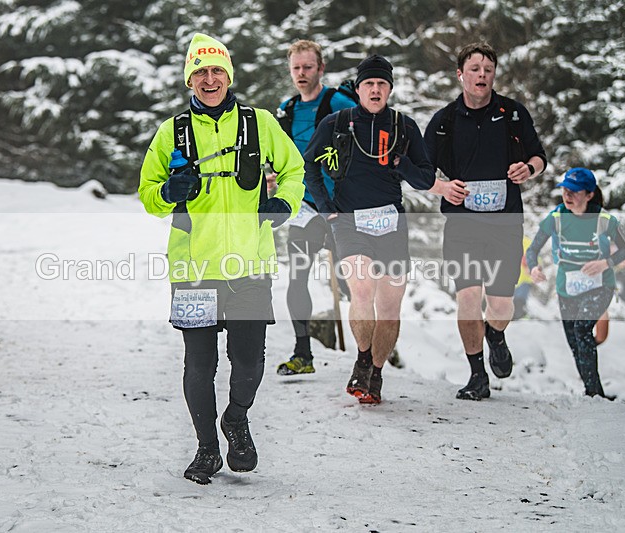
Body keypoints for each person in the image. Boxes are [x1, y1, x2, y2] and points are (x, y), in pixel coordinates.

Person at [138, 33, 305, 484]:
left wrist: (285, 203)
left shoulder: (260, 123)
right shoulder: (171, 132)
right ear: (189, 78)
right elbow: (147, 195)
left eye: (217, 71)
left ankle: (236, 418)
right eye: (200, 72)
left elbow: (294, 169)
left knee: (249, 361)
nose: (209, 79)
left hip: (249, 265)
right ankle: (207, 449)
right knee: (200, 363)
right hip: (193, 268)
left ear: (228, 75)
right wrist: (166, 193)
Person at [304, 54, 435, 404]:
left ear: (389, 88)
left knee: (390, 306)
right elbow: (310, 168)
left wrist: (401, 162)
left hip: (392, 223)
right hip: (349, 220)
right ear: (358, 88)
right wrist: (327, 210)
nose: (375, 90)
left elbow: (425, 178)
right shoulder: (337, 122)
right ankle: (363, 358)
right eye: (369, 84)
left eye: (381, 84)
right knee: (362, 289)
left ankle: (375, 374)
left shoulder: (404, 126)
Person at [424, 42, 547, 401]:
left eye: (488, 69)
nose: (482, 75)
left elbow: (539, 157)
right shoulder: (445, 120)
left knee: (500, 305)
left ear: (494, 75)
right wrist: (444, 188)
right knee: (468, 297)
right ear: (460, 75)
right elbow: (421, 172)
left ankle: (495, 333)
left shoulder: (513, 114)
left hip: (505, 224)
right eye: (474, 69)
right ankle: (477, 374)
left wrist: (528, 168)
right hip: (462, 225)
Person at [273, 39, 358, 376]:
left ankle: (366, 355)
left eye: (308, 67)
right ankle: (303, 353)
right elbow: (279, 154)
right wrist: (272, 176)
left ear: (321, 68)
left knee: (353, 282)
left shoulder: (336, 100)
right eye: (296, 68)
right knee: (297, 278)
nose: (301, 73)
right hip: (306, 206)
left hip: (339, 206)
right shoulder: (288, 108)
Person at [525, 167, 625, 398]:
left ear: (589, 194)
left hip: (600, 286)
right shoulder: (556, 218)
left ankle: (594, 395)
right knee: (576, 342)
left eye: (574, 192)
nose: (568, 196)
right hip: (568, 288)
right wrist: (534, 267)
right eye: (565, 190)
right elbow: (534, 249)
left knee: (581, 327)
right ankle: (594, 392)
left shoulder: (604, 220)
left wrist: (606, 263)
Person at [512, 235, 534, 320]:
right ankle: (517, 315)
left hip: (522, 279)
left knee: (519, 300)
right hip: (519, 279)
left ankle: (518, 315)